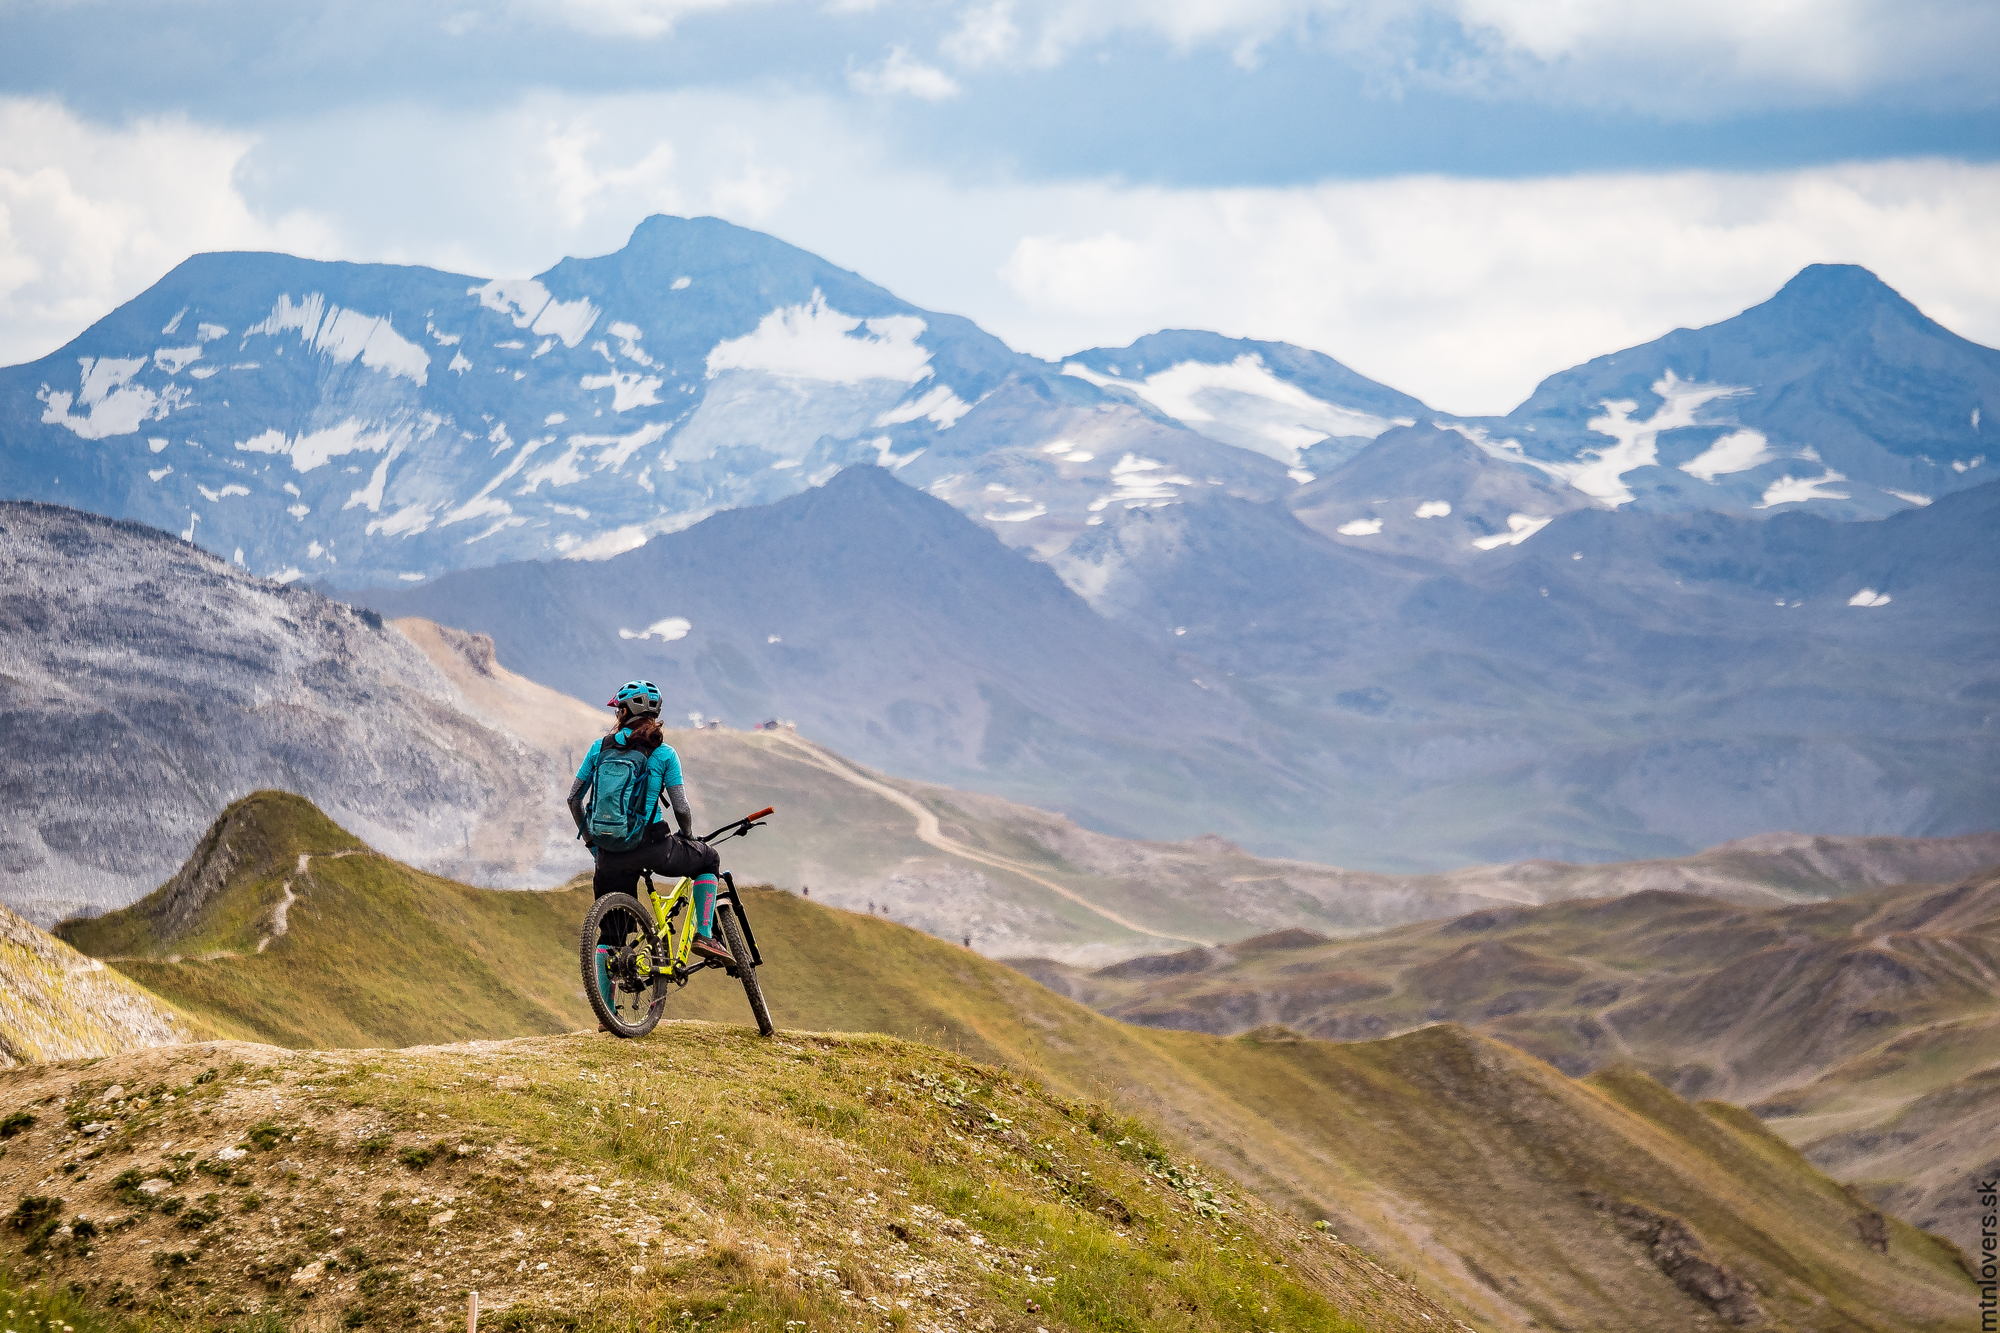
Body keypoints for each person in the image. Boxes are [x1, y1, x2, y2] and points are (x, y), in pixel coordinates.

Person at [568, 680, 732, 965]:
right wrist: (689, 835)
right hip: (652, 846)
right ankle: (704, 935)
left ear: (624, 713)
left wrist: (593, 844)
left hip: (609, 854)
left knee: (611, 938)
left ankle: (606, 1006)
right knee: (708, 860)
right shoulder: (664, 753)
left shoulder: (599, 748)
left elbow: (573, 799)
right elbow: (680, 806)